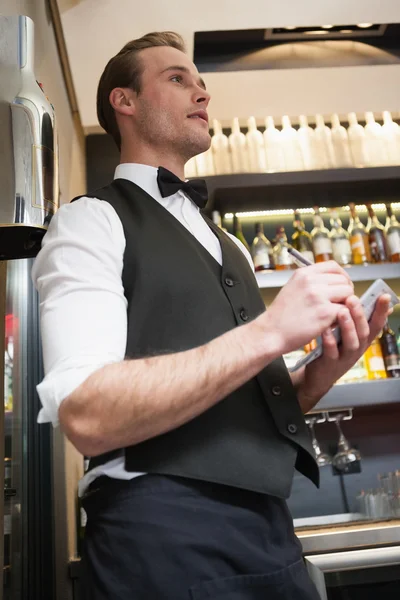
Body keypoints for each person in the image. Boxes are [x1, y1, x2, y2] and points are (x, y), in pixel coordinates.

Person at [32, 31, 392, 600]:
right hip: (160, 533)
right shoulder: (90, 223)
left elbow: (241, 411)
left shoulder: (235, 248)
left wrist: (323, 371)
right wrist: (270, 331)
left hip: (271, 528)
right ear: (124, 102)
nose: (201, 93)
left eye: (202, 83)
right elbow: (88, 413)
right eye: (177, 79)